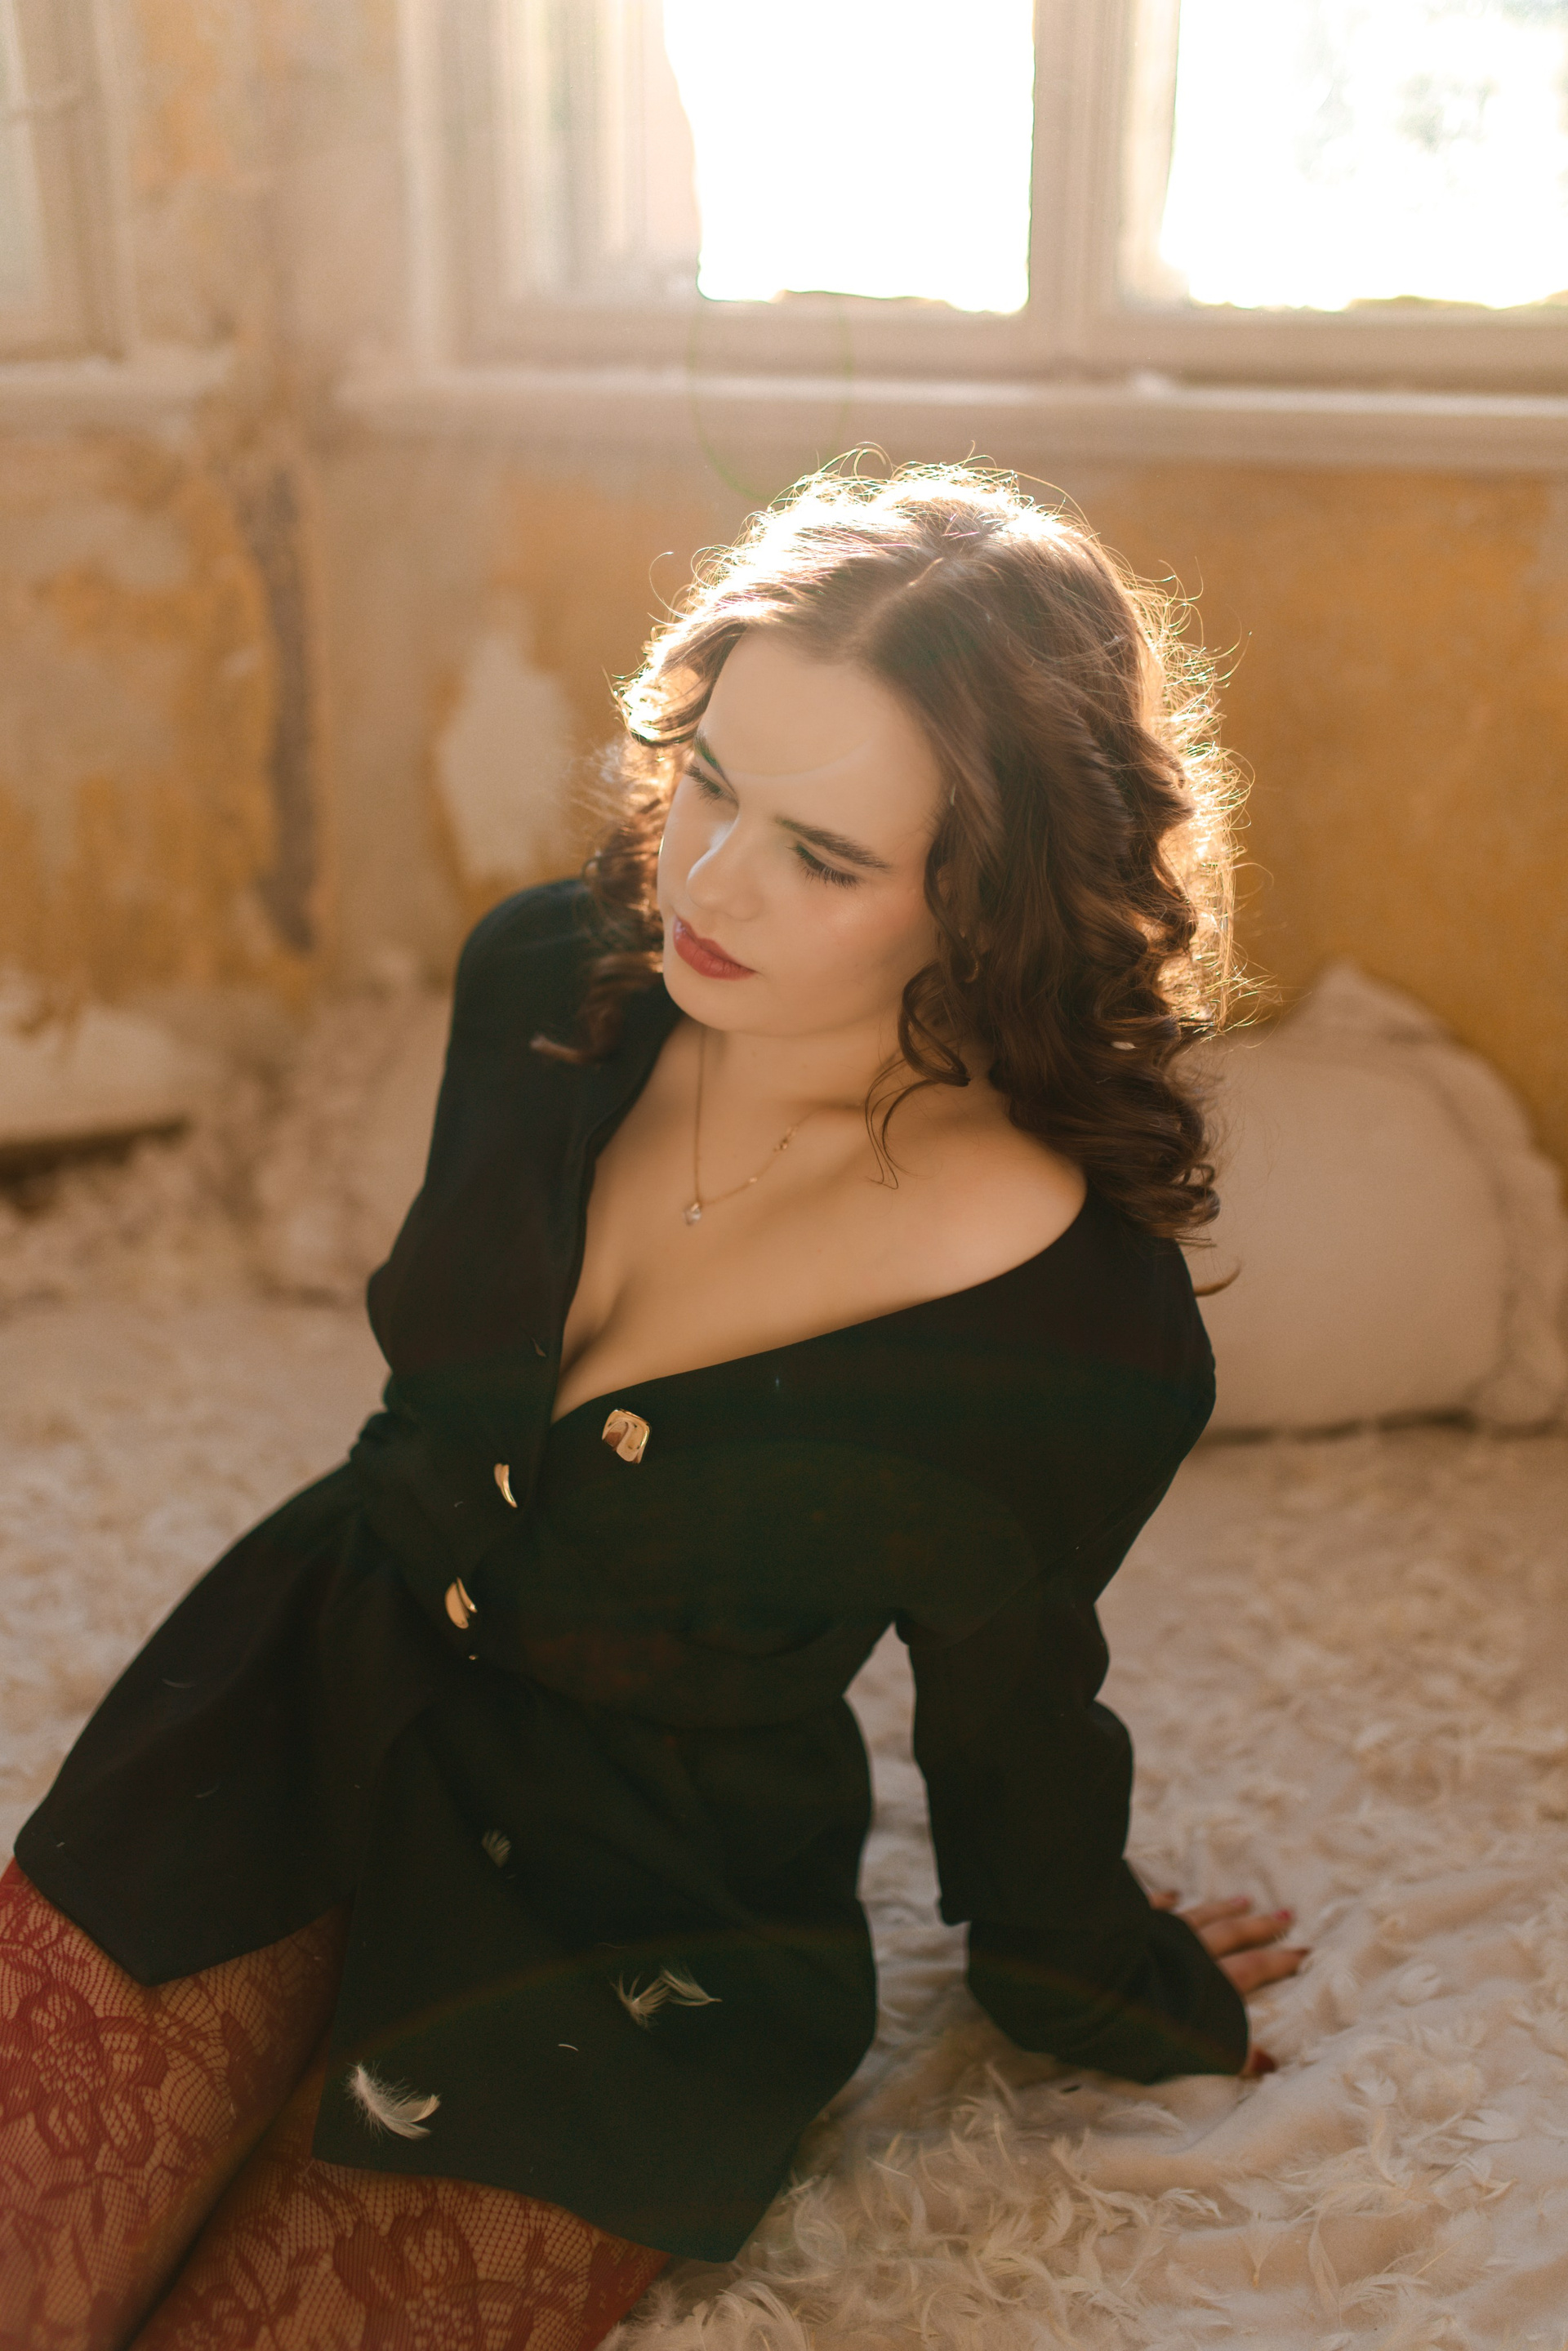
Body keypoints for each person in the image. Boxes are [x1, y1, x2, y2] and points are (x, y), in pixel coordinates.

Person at [0, 462, 1306, 2349]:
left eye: (823, 857)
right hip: (298, 1687)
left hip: (638, 1899)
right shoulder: (543, 976)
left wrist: (1101, 1974)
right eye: (709, 779)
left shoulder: (1073, 1328)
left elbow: (1014, 1723)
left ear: (988, 895)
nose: (705, 880)